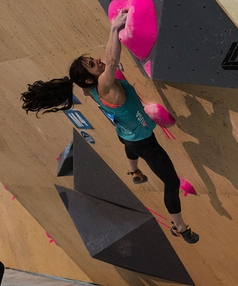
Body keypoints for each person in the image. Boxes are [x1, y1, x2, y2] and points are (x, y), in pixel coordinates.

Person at [20, 9, 199, 244]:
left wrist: (110, 67)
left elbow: (109, 66)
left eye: (92, 59)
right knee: (172, 182)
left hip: (126, 135)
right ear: (89, 79)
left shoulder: (90, 88)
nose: (97, 61)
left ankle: (133, 170)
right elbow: (112, 60)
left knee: (128, 145)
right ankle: (180, 227)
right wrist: (114, 29)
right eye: (92, 65)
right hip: (143, 141)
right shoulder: (104, 86)